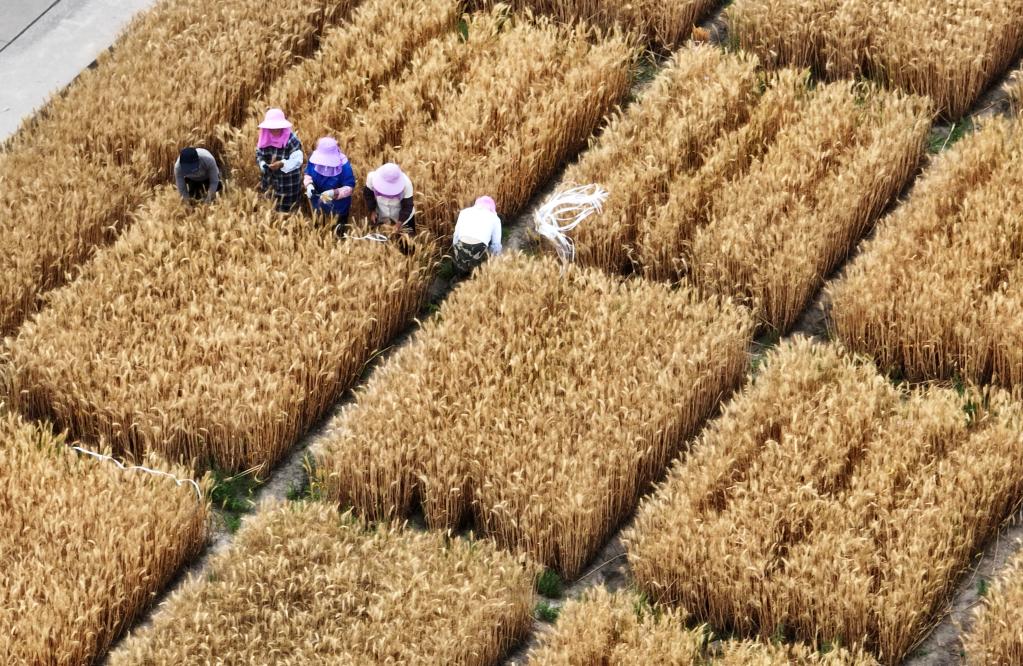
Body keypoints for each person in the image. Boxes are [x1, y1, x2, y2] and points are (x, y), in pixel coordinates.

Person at [304, 137, 356, 237]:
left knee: (338, 233)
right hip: (318, 202)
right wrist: (309, 185)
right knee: (319, 230)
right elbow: (308, 174)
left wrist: (333, 193)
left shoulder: (344, 165)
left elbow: (349, 187)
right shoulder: (314, 159)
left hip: (338, 206)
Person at [255, 108, 304, 212]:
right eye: (271, 127)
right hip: (270, 182)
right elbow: (259, 154)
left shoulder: (291, 139)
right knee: (271, 208)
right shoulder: (264, 136)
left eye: (277, 127)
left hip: (288, 183)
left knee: (289, 210)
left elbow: (298, 160)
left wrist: (282, 163)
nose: (274, 130)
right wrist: (263, 164)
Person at [451, 196, 502, 274]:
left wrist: (456, 250)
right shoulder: (495, 219)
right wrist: (493, 260)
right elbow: (496, 245)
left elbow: (456, 235)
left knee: (461, 268)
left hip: (461, 244)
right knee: (477, 269)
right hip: (479, 247)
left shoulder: (464, 212)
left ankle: (459, 275)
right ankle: (476, 277)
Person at [363, 162, 415, 235]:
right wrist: (372, 211)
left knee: (407, 244)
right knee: (381, 240)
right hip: (381, 212)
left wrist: (399, 223)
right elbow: (368, 194)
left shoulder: (406, 184)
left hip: (403, 217)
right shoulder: (371, 177)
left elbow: (407, 206)